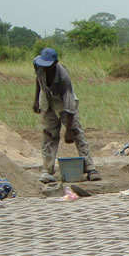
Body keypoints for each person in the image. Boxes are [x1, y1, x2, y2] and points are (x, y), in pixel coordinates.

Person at [32, 47, 100, 182]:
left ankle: (90, 167)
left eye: (48, 65)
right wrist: (35, 100)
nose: (44, 68)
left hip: (63, 103)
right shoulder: (38, 65)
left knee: (77, 133)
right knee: (48, 135)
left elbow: (70, 107)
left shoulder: (64, 78)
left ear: (55, 62)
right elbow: (38, 80)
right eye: (43, 64)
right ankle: (47, 170)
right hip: (47, 100)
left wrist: (68, 130)